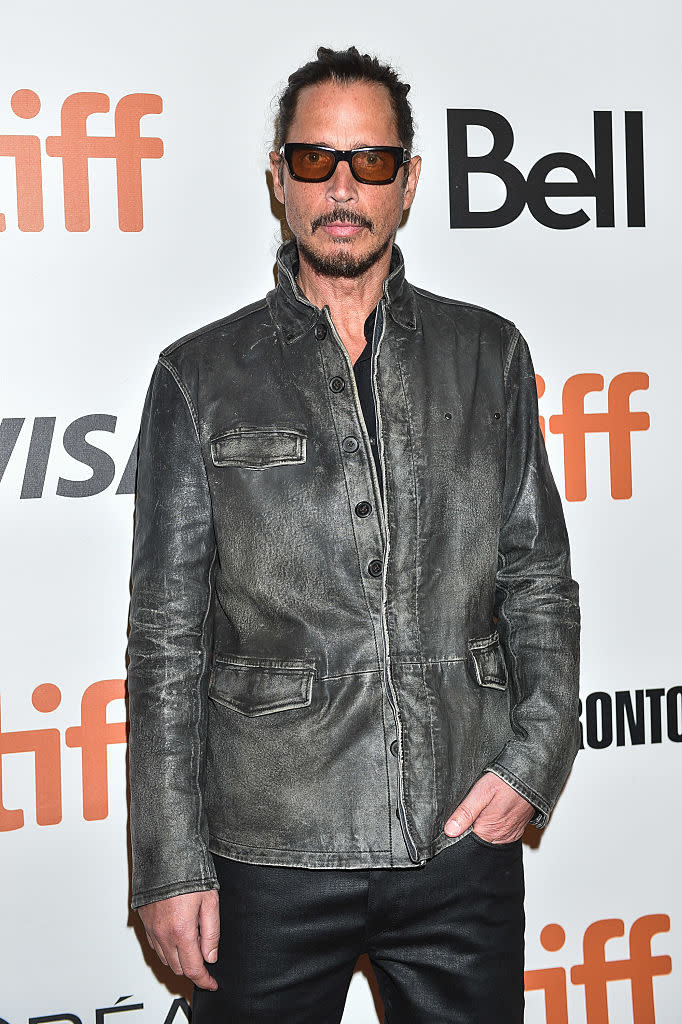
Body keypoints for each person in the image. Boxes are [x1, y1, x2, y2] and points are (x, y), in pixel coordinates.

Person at [126, 45, 580, 1023]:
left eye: (371, 162)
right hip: (266, 858)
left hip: (462, 849)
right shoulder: (197, 375)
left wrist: (534, 758)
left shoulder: (487, 353)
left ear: (409, 180)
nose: (342, 188)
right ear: (277, 180)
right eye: (315, 161)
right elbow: (166, 637)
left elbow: (537, 574)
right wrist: (167, 862)